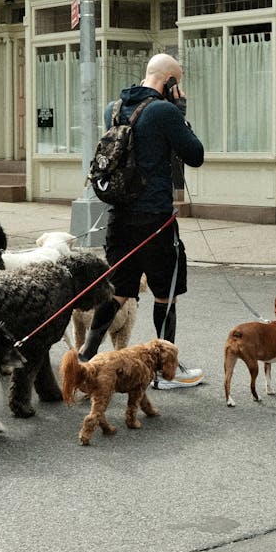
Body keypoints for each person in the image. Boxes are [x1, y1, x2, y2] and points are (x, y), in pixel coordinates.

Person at [79, 53, 206, 389]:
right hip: (155, 220)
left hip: (119, 217)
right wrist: (180, 114)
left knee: (120, 291)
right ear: (171, 82)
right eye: (177, 82)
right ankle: (167, 373)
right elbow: (195, 155)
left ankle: (85, 358)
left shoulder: (114, 108)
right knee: (165, 294)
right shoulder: (164, 111)